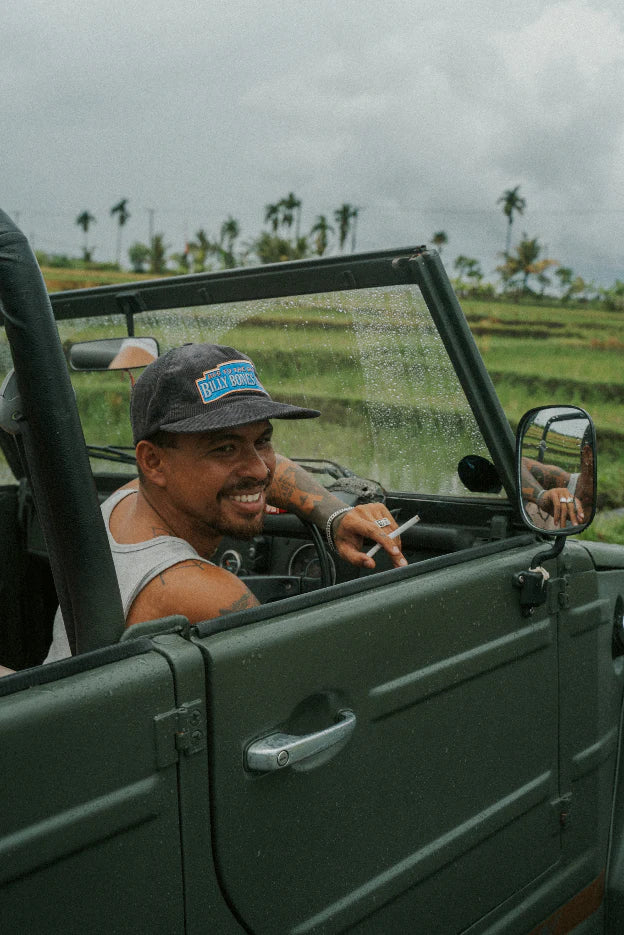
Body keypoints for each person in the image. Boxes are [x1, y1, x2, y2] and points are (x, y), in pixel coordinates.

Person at [44, 343, 406, 662]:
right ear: (153, 461)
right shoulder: (204, 594)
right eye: (225, 448)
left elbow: (272, 471)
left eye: (262, 440)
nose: (256, 468)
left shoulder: (124, 501)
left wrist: (334, 516)